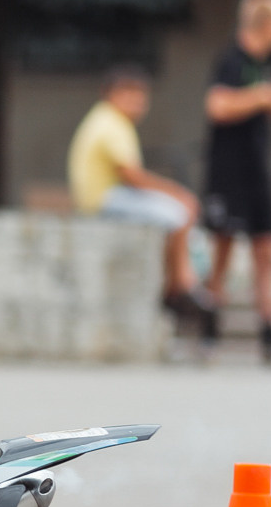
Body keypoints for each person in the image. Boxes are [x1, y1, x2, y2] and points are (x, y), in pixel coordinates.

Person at [68, 66, 206, 337]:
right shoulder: (111, 123)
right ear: (111, 95)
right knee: (178, 213)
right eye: (131, 95)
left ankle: (180, 281)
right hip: (104, 199)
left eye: (142, 97)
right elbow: (133, 176)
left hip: (106, 196)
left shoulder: (106, 120)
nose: (138, 104)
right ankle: (180, 284)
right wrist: (177, 193)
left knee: (177, 212)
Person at [201, 0, 271, 362]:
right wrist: (263, 97)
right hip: (228, 170)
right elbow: (217, 106)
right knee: (222, 252)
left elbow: (268, 103)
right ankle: (208, 331)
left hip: (257, 171)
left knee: (266, 251)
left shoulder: (262, 65)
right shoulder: (232, 60)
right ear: (265, 24)